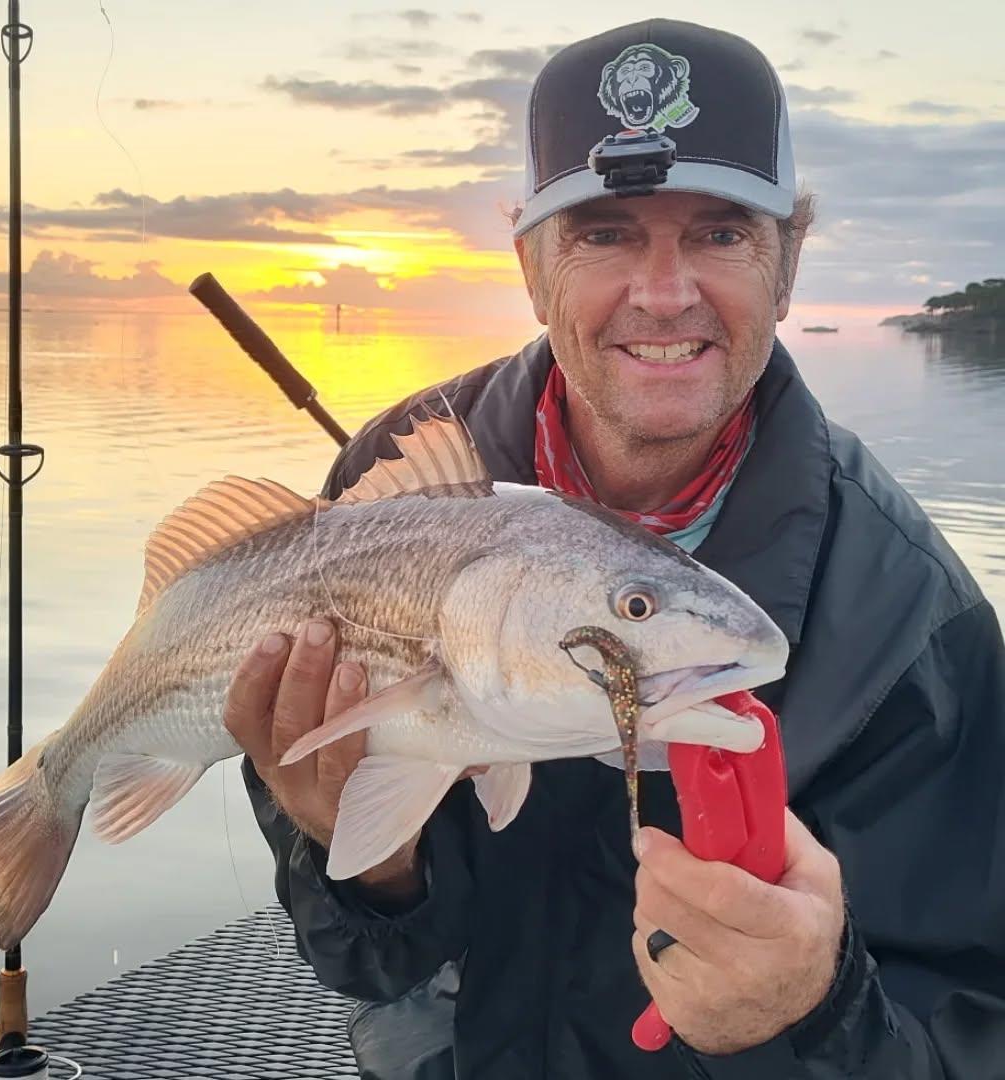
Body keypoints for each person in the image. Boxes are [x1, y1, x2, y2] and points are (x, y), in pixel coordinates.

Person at [225, 19, 1005, 1079]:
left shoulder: (914, 620)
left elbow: (965, 1029)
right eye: (604, 233)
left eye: (722, 232)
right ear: (533, 269)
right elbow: (368, 965)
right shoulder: (390, 474)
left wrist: (817, 1013)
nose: (666, 290)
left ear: (787, 267)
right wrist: (361, 866)